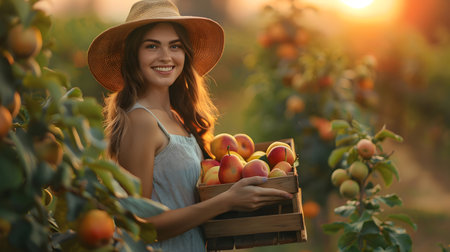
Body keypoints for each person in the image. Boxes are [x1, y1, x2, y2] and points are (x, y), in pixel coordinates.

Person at [87, 0, 293, 251]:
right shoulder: (141, 121)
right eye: (152, 46)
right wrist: (226, 201)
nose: (166, 56)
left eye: (175, 46)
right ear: (133, 55)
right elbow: (141, 224)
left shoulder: (177, 118)